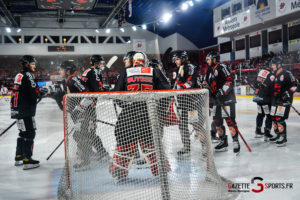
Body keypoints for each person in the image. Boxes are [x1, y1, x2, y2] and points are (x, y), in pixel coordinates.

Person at [110, 51, 171, 182]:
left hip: (129, 115)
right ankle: (162, 172)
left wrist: (125, 104)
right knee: (152, 146)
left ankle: (119, 174)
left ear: (133, 61)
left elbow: (117, 97)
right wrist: (160, 111)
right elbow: (167, 92)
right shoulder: (154, 71)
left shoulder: (125, 72)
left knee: (124, 146)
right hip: (150, 114)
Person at [56, 60, 108, 169]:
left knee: (80, 135)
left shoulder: (73, 80)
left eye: (61, 69)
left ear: (68, 71)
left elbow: (88, 95)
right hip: (84, 113)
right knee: (87, 134)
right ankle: (99, 153)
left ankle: (86, 160)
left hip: (85, 113)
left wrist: (79, 109)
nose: (60, 71)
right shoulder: (70, 80)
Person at [11, 55, 47, 170]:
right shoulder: (28, 75)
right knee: (30, 133)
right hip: (25, 110)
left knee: (22, 133)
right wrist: (41, 93)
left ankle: (19, 156)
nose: (34, 66)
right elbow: (33, 94)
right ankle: (27, 160)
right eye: (32, 64)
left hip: (17, 109)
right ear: (26, 64)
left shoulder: (18, 75)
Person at [205, 52, 240, 154]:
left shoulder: (222, 66)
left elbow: (230, 80)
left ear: (214, 59)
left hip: (227, 100)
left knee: (230, 121)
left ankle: (235, 141)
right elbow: (206, 83)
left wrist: (221, 92)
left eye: (209, 59)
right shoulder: (209, 70)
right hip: (216, 101)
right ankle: (223, 141)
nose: (207, 61)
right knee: (217, 122)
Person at [171, 51, 197, 156]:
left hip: (192, 101)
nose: (176, 61)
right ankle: (186, 147)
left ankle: (205, 146)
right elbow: (174, 83)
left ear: (183, 59)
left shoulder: (190, 67)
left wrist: (180, 87)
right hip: (181, 101)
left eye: (177, 59)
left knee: (196, 124)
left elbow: (191, 81)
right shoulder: (177, 70)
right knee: (182, 125)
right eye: (175, 59)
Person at [269, 56, 298, 146]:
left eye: (273, 65)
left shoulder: (287, 73)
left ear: (279, 65)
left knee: (279, 118)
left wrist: (288, 94)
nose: (272, 66)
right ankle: (277, 134)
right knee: (273, 117)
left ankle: (283, 137)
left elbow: (295, 85)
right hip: (275, 100)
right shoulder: (273, 75)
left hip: (284, 101)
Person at [252, 60, 275, 141]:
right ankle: (267, 132)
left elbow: (254, 84)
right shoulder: (271, 74)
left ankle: (258, 130)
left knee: (260, 114)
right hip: (266, 98)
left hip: (258, 98)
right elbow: (271, 87)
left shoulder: (260, 72)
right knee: (269, 115)